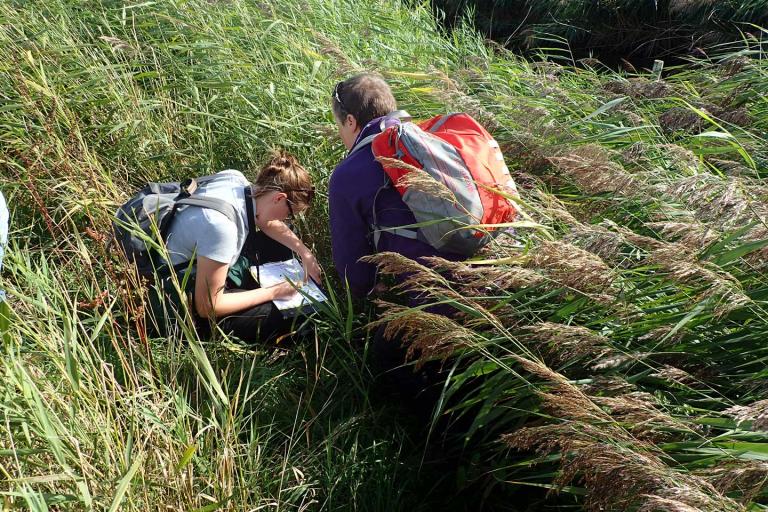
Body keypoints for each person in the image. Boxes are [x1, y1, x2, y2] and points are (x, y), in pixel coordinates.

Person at [328, 74, 464, 407]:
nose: (341, 135)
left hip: (433, 300)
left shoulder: (349, 174)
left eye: (340, 126)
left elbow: (355, 276)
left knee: (388, 371)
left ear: (350, 120)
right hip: (490, 272)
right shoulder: (431, 139)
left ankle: (421, 447)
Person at [149, 152, 320, 343]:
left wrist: (305, 253)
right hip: (180, 301)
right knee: (289, 314)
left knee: (284, 243)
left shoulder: (236, 180)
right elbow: (207, 307)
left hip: (199, 263)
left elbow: (263, 220)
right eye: (290, 213)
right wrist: (274, 292)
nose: (286, 220)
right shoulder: (222, 227)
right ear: (279, 198)